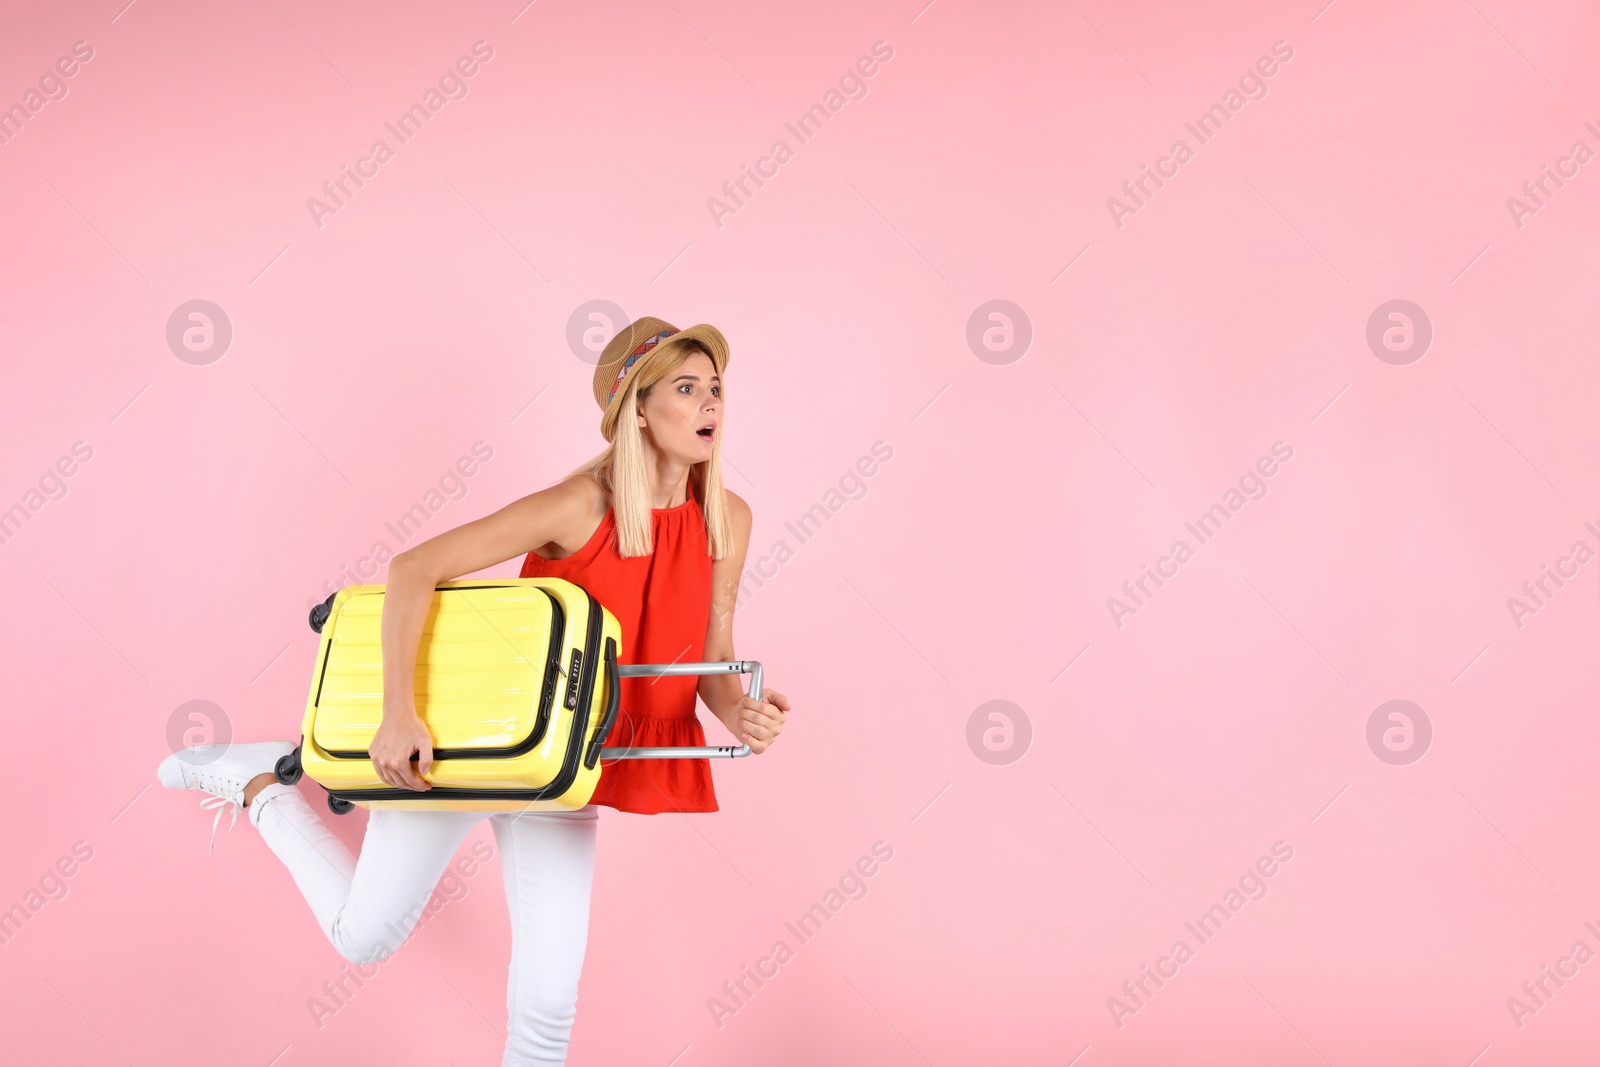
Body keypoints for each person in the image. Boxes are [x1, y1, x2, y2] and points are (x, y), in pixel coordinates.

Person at [157, 316, 791, 1066]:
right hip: (468, 744)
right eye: (687, 388)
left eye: (715, 388)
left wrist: (739, 708)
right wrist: (399, 715)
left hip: (562, 769)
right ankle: (261, 781)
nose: (711, 403)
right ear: (639, 410)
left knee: (550, 1003)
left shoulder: (728, 520)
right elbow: (412, 567)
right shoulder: (576, 505)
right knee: (364, 937)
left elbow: (712, 656)